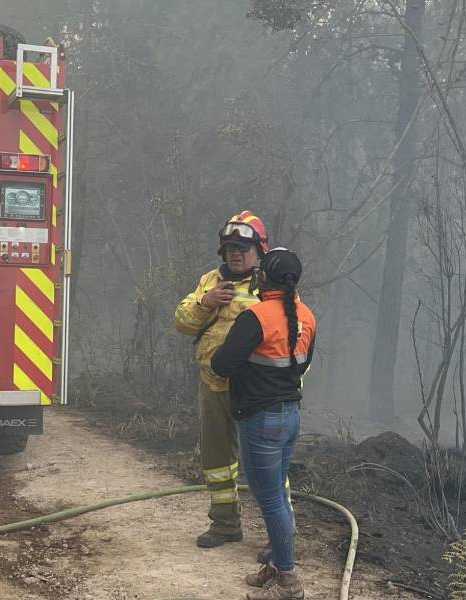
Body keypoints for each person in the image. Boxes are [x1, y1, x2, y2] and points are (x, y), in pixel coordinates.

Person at [211, 248, 316, 600]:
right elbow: (299, 367)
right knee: (278, 498)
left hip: (262, 420)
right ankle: (277, 564)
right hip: (290, 416)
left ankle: (288, 581)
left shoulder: (255, 318)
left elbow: (222, 365)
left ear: (265, 278)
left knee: (270, 500)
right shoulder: (307, 317)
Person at [174, 211, 269, 548]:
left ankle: (279, 537)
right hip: (214, 387)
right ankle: (225, 524)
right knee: (217, 460)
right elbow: (182, 321)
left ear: (259, 250)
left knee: (264, 463)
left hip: (256, 391)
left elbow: (294, 332)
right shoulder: (209, 281)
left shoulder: (272, 284)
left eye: (243, 247)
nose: (235, 253)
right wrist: (205, 302)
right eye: (230, 247)